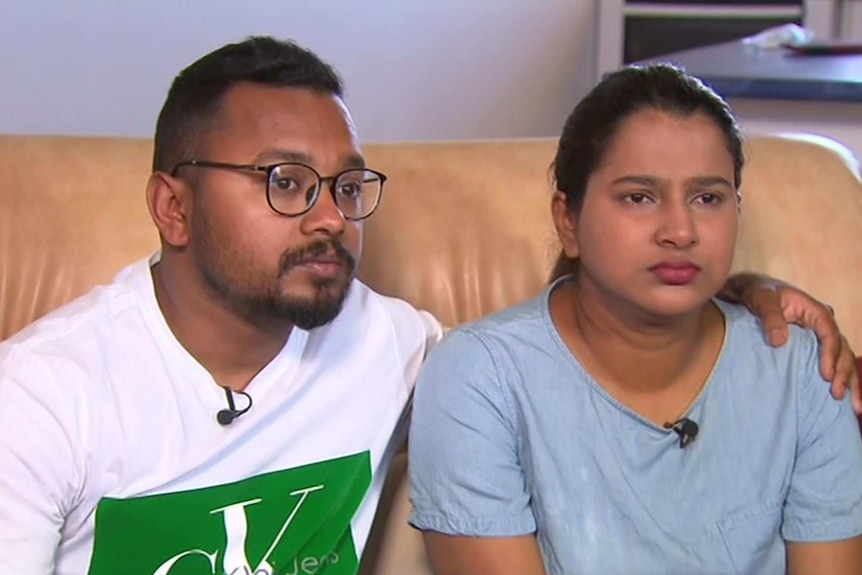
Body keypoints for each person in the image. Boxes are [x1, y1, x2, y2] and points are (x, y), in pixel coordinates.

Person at [0, 38, 854, 575]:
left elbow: (575, 352)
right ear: (173, 207)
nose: (331, 215)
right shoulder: (42, 394)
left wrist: (744, 293)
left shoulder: (402, 349)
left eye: (346, 184)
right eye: (286, 183)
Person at [408, 63, 862, 575]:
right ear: (568, 220)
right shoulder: (481, 377)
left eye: (708, 198)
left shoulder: (804, 371)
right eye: (639, 197)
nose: (680, 230)